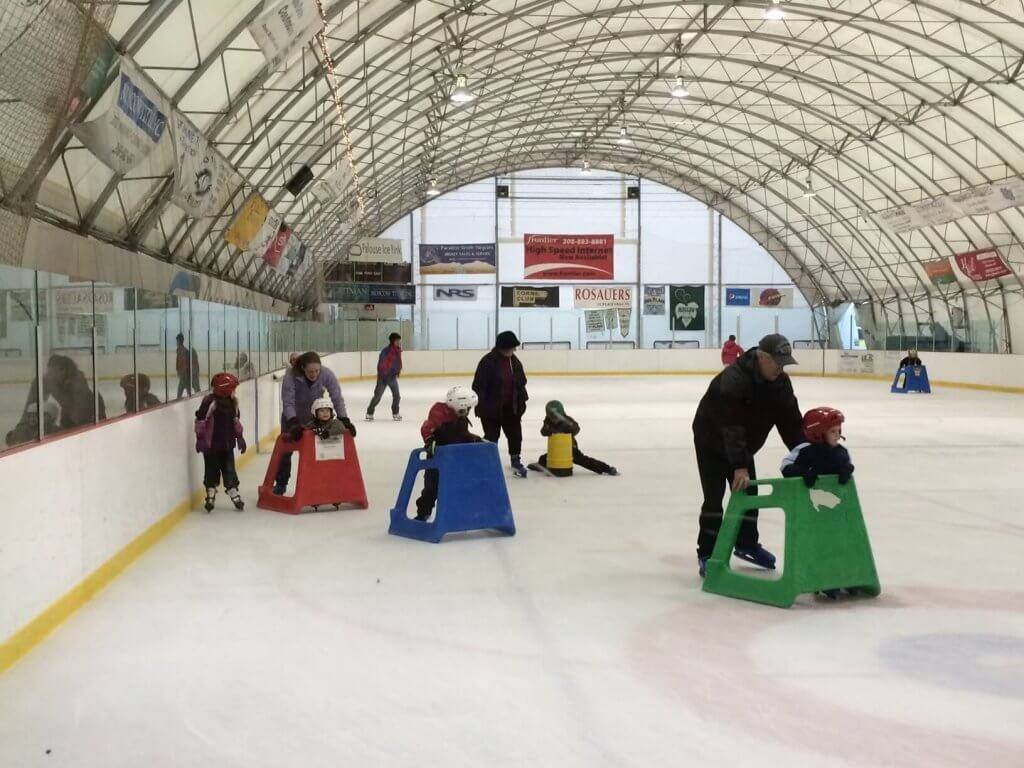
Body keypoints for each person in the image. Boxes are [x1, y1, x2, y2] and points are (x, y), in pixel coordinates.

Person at [691, 333, 805, 577]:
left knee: (749, 494)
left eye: (784, 364)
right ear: (762, 357)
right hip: (711, 440)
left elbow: (791, 422)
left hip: (740, 444)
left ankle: (746, 544)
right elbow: (730, 425)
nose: (781, 369)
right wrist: (739, 466)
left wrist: (803, 454)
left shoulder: (780, 383)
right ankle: (707, 552)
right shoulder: (734, 379)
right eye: (777, 363)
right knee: (714, 498)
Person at [781, 407, 856, 599]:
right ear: (817, 433)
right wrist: (803, 472)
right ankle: (822, 578)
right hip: (811, 509)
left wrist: (846, 470)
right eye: (833, 431)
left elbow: (846, 468)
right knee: (818, 544)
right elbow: (786, 467)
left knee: (839, 543)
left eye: (839, 430)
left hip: (836, 510)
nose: (838, 435)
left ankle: (845, 576)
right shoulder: (804, 450)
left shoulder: (841, 452)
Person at [274, 351, 355, 494]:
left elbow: (337, 397)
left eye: (317, 370)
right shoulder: (291, 376)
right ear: (303, 368)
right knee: (286, 453)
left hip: (315, 421)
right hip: (292, 418)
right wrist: (293, 422)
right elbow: (288, 402)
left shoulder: (326, 374)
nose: (314, 374)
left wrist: (344, 419)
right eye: (310, 371)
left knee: (318, 452)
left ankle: (318, 483)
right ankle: (281, 483)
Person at [414, 386, 483, 521]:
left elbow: (461, 435)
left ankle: (459, 514)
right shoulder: (439, 412)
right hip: (437, 460)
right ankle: (423, 513)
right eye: (468, 408)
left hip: (455, 460)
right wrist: (429, 440)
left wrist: (474, 439)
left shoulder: (460, 418)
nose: (469, 411)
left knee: (459, 487)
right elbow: (427, 427)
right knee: (431, 489)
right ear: (461, 406)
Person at [472, 331, 529, 478]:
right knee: (491, 436)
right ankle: (490, 461)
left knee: (515, 435)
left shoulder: (515, 362)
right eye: (512, 347)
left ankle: (515, 460)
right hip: (491, 409)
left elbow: (521, 382)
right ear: (502, 347)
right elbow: (478, 386)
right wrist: (481, 406)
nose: (514, 350)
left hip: (512, 407)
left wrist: (522, 402)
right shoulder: (487, 362)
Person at [194, 372, 246, 512]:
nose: (235, 392)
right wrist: (200, 438)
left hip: (227, 445)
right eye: (233, 388)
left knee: (229, 470)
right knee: (211, 470)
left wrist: (240, 437)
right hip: (211, 446)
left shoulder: (233, 403)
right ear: (226, 389)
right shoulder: (210, 402)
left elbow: (236, 421)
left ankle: (233, 491)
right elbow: (200, 421)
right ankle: (210, 494)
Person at [528, 400, 617, 476]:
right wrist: (548, 428)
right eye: (553, 417)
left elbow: (576, 429)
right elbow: (543, 433)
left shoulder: (567, 420)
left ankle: (606, 468)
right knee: (543, 459)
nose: (555, 419)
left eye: (556, 417)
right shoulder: (548, 421)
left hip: (569, 448)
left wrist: (568, 425)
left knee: (584, 460)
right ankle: (540, 465)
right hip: (556, 449)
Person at [22, 354, 106, 435]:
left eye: (53, 373)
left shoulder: (78, 383)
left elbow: (79, 416)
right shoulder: (49, 380)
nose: (50, 376)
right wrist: (22, 426)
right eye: (49, 372)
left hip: (91, 414)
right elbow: (31, 404)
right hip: (70, 414)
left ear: (63, 371)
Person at [365, 332, 403, 421]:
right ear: (392, 341)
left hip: (392, 377)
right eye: (397, 340)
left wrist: (397, 371)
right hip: (383, 377)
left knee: (397, 396)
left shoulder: (397, 350)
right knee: (377, 396)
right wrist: (384, 375)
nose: (399, 342)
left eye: (399, 340)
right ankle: (369, 413)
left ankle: (395, 413)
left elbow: (397, 362)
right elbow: (381, 365)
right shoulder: (386, 351)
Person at [175, 334, 201, 398]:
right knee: (186, 387)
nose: (176, 343)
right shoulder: (183, 350)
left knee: (184, 387)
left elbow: (182, 362)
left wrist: (181, 371)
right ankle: (191, 396)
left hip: (186, 373)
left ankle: (194, 397)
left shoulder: (184, 350)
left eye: (177, 341)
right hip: (187, 372)